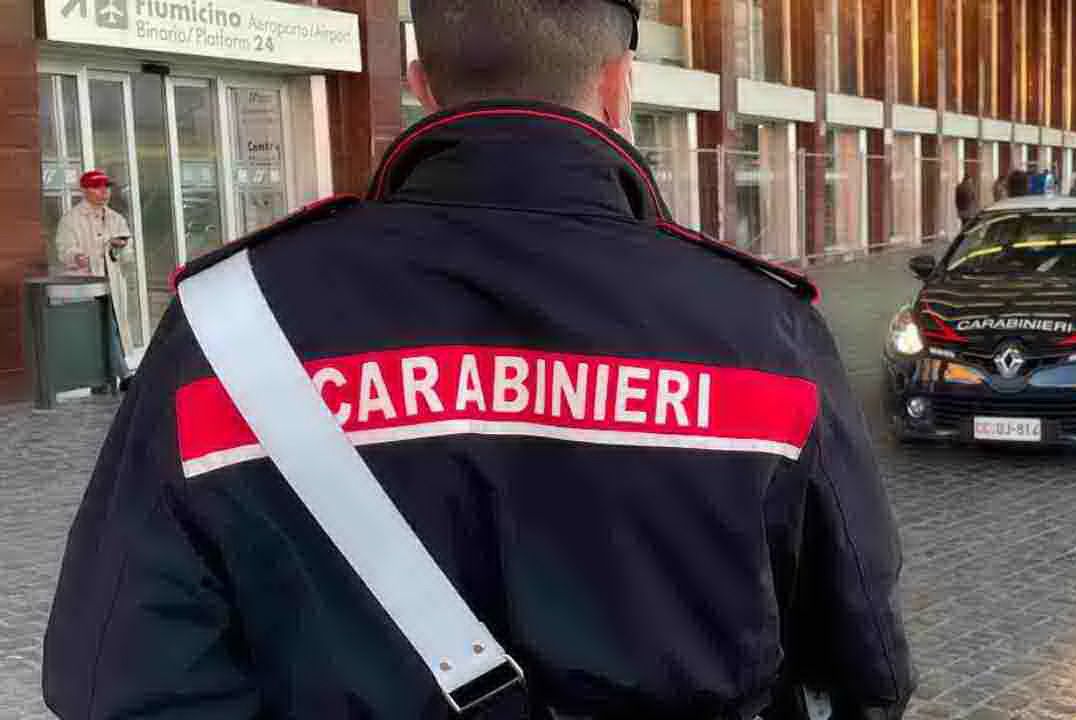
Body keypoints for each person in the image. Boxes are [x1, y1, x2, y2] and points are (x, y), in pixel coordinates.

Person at [43, 1, 914, 719]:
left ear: (423, 86)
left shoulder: (229, 327)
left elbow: (109, 676)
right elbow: (866, 655)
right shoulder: (761, 328)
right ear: (618, 87)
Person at [52, 169, 132, 388]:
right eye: (97, 187)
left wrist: (119, 249)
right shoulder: (71, 220)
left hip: (111, 283)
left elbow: (128, 256)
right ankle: (123, 374)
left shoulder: (116, 218)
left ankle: (105, 380)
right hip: (86, 284)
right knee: (103, 329)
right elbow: (64, 249)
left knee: (109, 328)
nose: (104, 191)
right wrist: (76, 257)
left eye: (106, 186)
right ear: (85, 190)